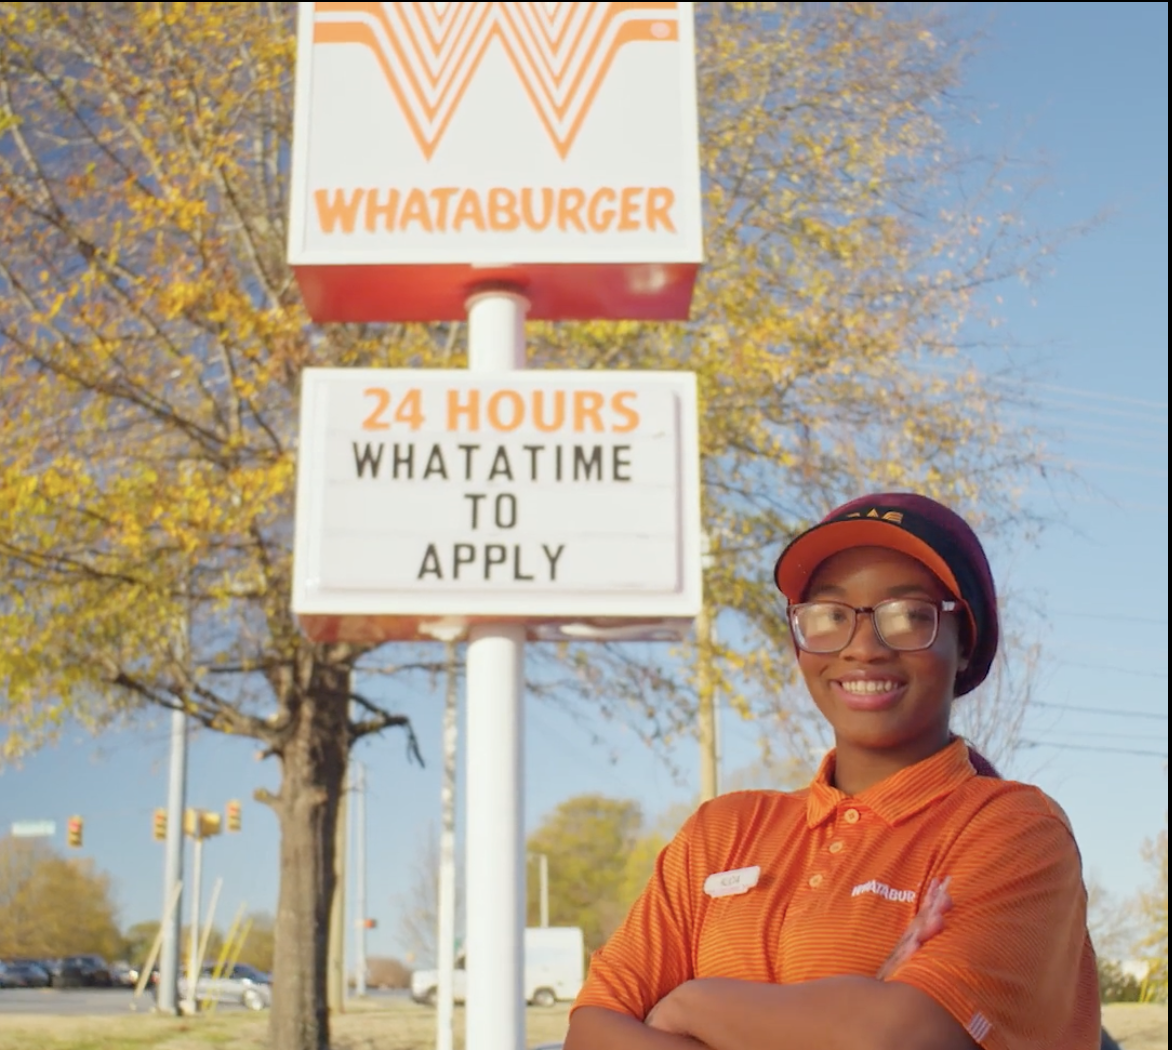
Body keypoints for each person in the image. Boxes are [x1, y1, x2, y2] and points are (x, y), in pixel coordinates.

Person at [564, 492, 1101, 1050]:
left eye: (907, 615)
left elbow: (899, 1038)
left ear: (963, 640)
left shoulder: (1013, 831)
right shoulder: (719, 833)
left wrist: (690, 1003)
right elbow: (593, 1031)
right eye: (828, 616)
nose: (863, 647)